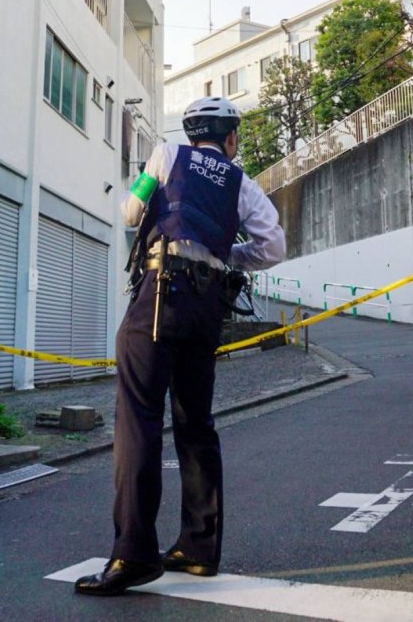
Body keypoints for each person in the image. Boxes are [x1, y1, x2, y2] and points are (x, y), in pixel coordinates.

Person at [74, 97, 285, 596]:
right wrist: (221, 250)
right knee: (196, 424)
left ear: (195, 134)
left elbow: (130, 210)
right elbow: (272, 247)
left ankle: (133, 555)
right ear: (230, 138)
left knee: (139, 419)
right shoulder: (242, 184)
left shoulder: (167, 156)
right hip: (206, 306)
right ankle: (198, 547)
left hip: (160, 294)